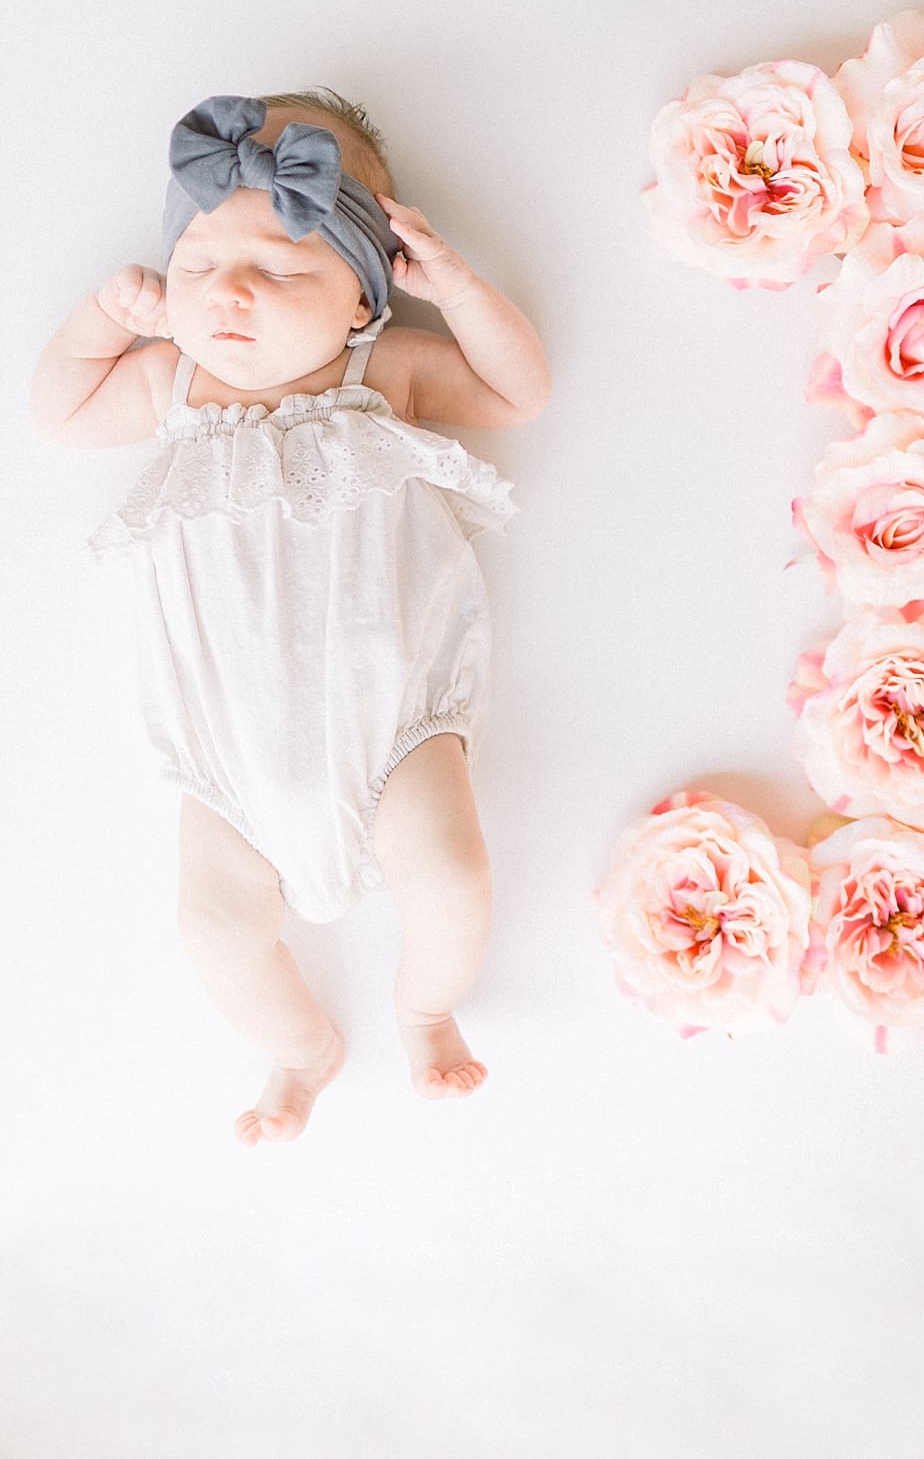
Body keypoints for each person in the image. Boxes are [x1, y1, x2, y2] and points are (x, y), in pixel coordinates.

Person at [30, 90, 550, 1144]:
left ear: (361, 300)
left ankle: (425, 1006)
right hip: (229, 758)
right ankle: (300, 1047)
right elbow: (59, 412)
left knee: (449, 873)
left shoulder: (382, 375)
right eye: (197, 267)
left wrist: (456, 289)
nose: (229, 295)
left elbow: (515, 393)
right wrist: (102, 317)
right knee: (212, 925)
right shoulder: (171, 384)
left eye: (278, 270)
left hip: (398, 724)